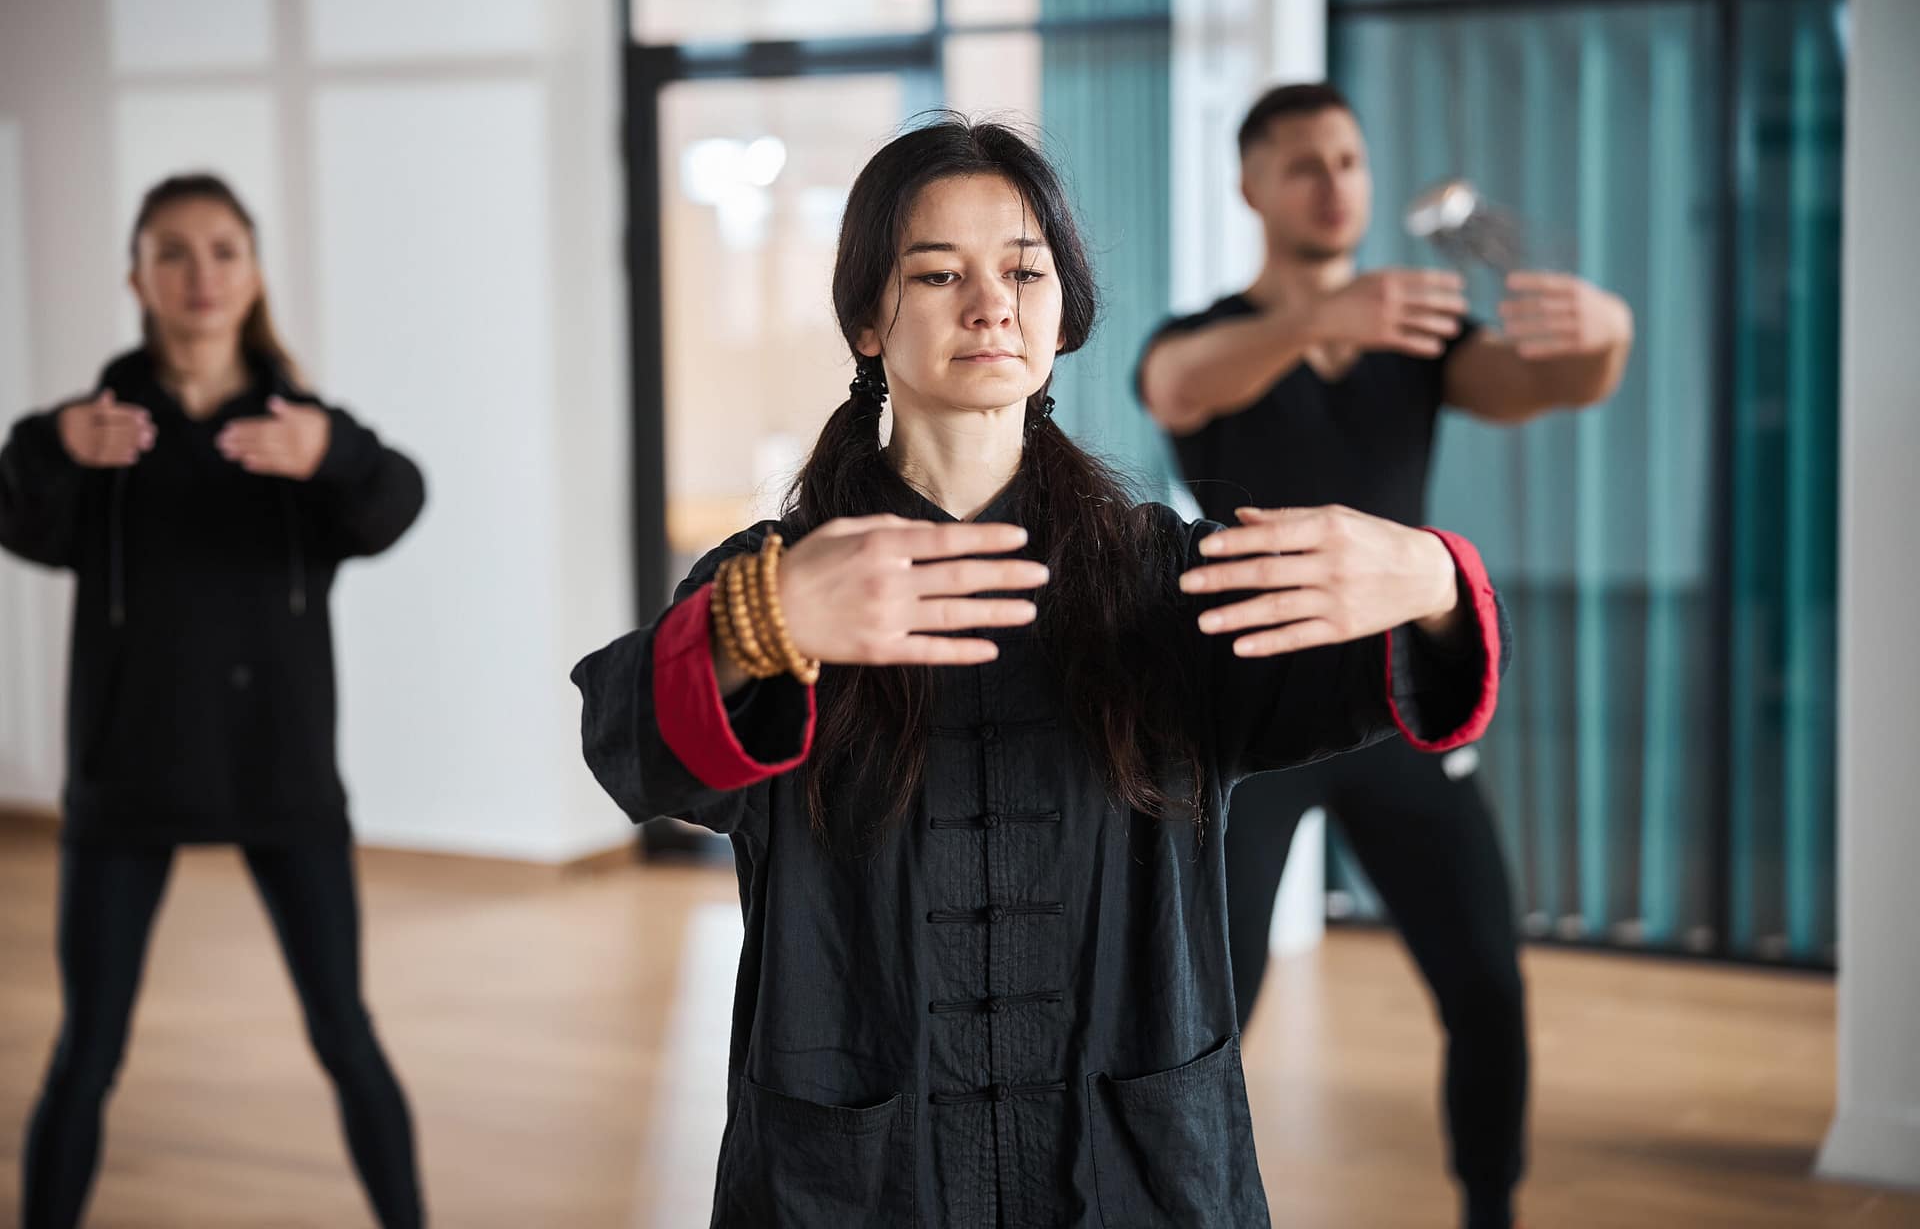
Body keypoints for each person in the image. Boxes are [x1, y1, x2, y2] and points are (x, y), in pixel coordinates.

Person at [572, 114, 1510, 1227]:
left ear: (1061, 310)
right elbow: (637, 748)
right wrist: (758, 624)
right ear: (869, 320)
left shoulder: (1165, 576)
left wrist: (1440, 582)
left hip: (1133, 1167)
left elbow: (1379, 678)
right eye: (937, 273)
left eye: (1023, 268)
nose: (990, 302)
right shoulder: (780, 582)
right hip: (860, 1177)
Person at [1138, 82, 1635, 1229]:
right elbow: (1177, 387)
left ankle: (1491, 1206)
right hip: (1248, 721)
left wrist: (1607, 336)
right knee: (1210, 1005)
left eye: (1350, 160)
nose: (1334, 183)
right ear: (1251, 187)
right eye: (1304, 162)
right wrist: (1319, 322)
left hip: (1402, 708)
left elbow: (1548, 380)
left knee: (1487, 990)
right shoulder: (1205, 335)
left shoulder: (1415, 335)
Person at [0, 174, 427, 1229]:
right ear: (136, 274)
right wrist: (54, 440)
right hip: (126, 775)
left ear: (254, 272)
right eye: (174, 251)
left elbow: (395, 500)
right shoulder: (99, 429)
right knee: (87, 1048)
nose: (201, 274)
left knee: (343, 1028)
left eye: (224, 250)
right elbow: (17, 517)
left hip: (278, 771)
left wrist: (332, 452)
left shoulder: (295, 425)